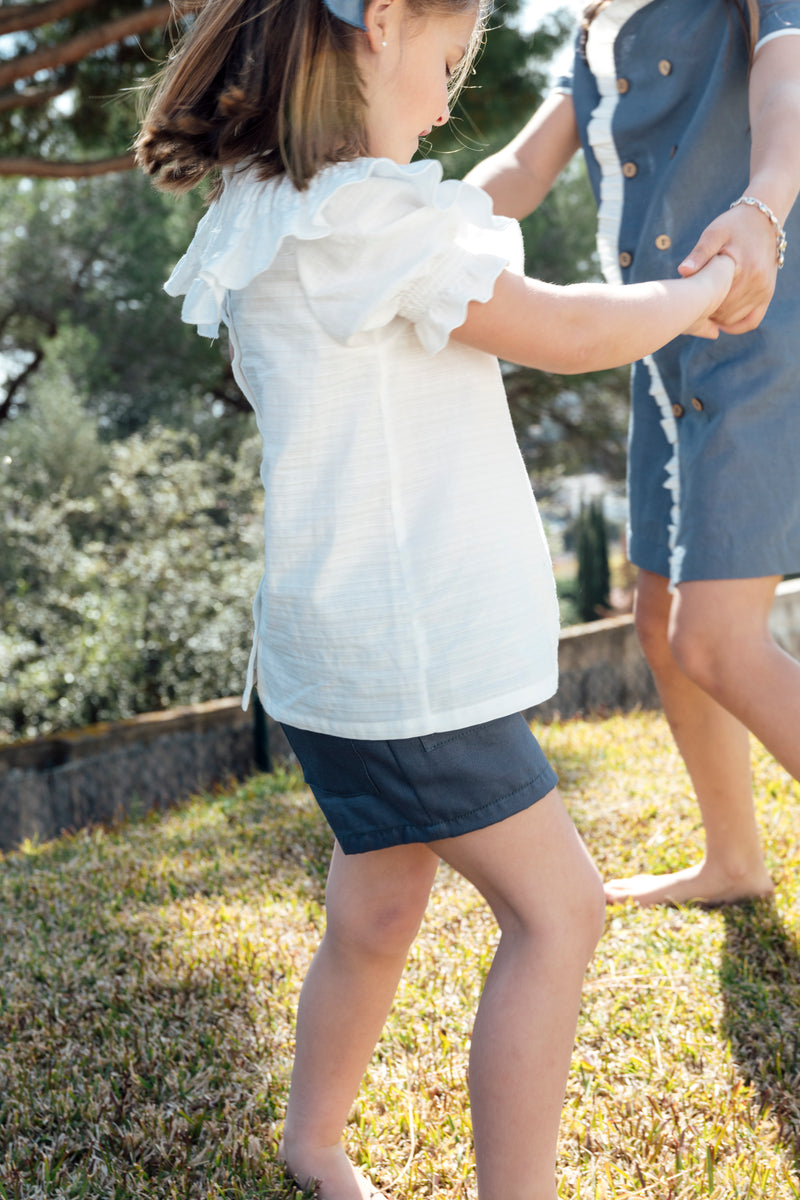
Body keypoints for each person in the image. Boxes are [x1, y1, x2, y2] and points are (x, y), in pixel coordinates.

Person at [135, 1, 732, 1196]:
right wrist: (699, 291)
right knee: (560, 913)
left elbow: (487, 199)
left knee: (376, 913)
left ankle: (312, 1148)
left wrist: (569, 111)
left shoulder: (273, 208)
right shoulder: (369, 223)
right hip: (410, 673)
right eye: (451, 62)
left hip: (333, 662)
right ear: (384, 25)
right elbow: (560, 328)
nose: (453, 94)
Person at [468, 0, 800, 909]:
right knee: (659, 621)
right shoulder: (592, 30)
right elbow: (523, 166)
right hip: (663, 348)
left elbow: (788, 84)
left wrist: (763, 210)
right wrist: (399, 229)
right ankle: (733, 862)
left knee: (718, 640)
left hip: (758, 326)